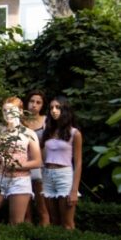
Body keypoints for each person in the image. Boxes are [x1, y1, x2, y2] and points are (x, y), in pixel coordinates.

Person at [0, 97, 42, 225]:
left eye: (11, 110)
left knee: (16, 223)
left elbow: (37, 161)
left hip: (20, 180)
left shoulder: (29, 133)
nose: (7, 114)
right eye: (4, 111)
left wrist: (15, 166)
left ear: (20, 112)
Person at [41, 96, 83, 229]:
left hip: (64, 176)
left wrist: (74, 190)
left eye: (58, 107)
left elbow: (78, 162)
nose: (54, 110)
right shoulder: (48, 132)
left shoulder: (74, 133)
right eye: (51, 108)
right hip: (47, 176)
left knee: (67, 223)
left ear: (65, 110)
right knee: (53, 221)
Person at [23, 90, 50, 226]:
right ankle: (27, 233)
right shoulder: (21, 121)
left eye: (38, 102)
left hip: (40, 165)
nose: (34, 105)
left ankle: (45, 233)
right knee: (26, 207)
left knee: (42, 206)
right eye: (32, 101)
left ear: (42, 105)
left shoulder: (45, 121)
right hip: (22, 164)